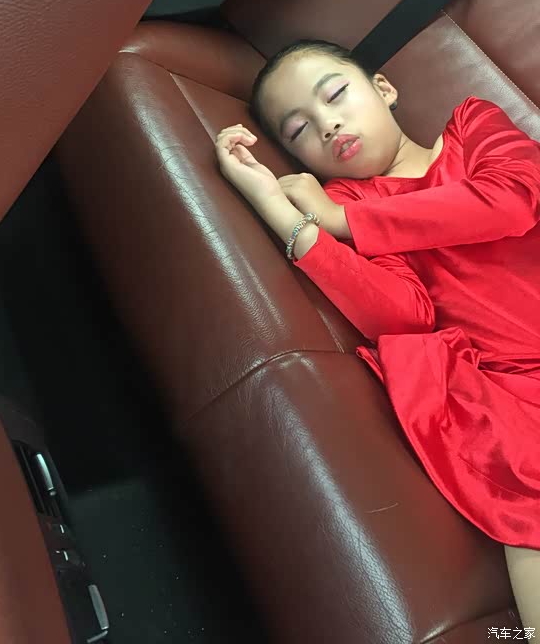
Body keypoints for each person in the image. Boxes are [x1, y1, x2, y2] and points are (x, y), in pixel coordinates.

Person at [215, 38, 540, 627]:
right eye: (299, 130)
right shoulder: (353, 209)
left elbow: (512, 202)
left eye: (336, 94)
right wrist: (284, 213)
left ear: (383, 89)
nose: (328, 124)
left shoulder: (471, 127)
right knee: (524, 505)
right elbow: (405, 318)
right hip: (520, 387)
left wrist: (342, 219)